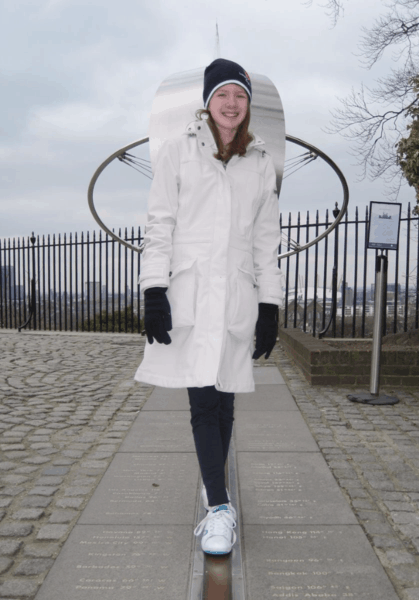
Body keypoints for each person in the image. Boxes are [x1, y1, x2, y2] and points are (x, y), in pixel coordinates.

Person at [134, 58, 284, 555]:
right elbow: (161, 224)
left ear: (247, 104)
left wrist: (270, 304)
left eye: (239, 95)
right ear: (208, 101)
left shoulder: (261, 163)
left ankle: (211, 479)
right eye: (223, 94)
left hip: (237, 297)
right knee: (202, 399)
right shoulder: (178, 153)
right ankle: (219, 509)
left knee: (225, 398)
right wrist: (155, 288)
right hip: (192, 293)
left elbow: (266, 241)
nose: (232, 103)